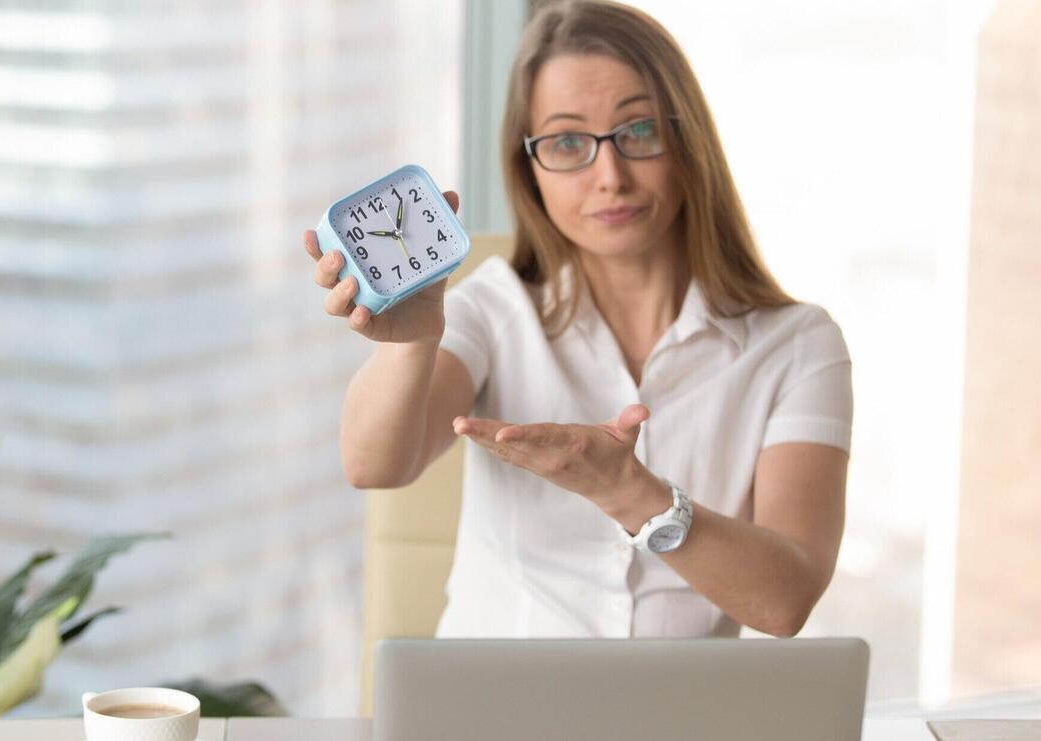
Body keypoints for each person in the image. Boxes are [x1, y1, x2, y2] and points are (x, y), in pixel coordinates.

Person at [302, 0, 851, 640]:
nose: (609, 176)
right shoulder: (495, 307)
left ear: (687, 143)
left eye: (639, 131)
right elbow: (373, 465)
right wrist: (412, 344)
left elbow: (784, 601)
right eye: (567, 142)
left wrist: (630, 493)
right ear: (529, 168)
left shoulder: (799, 345)